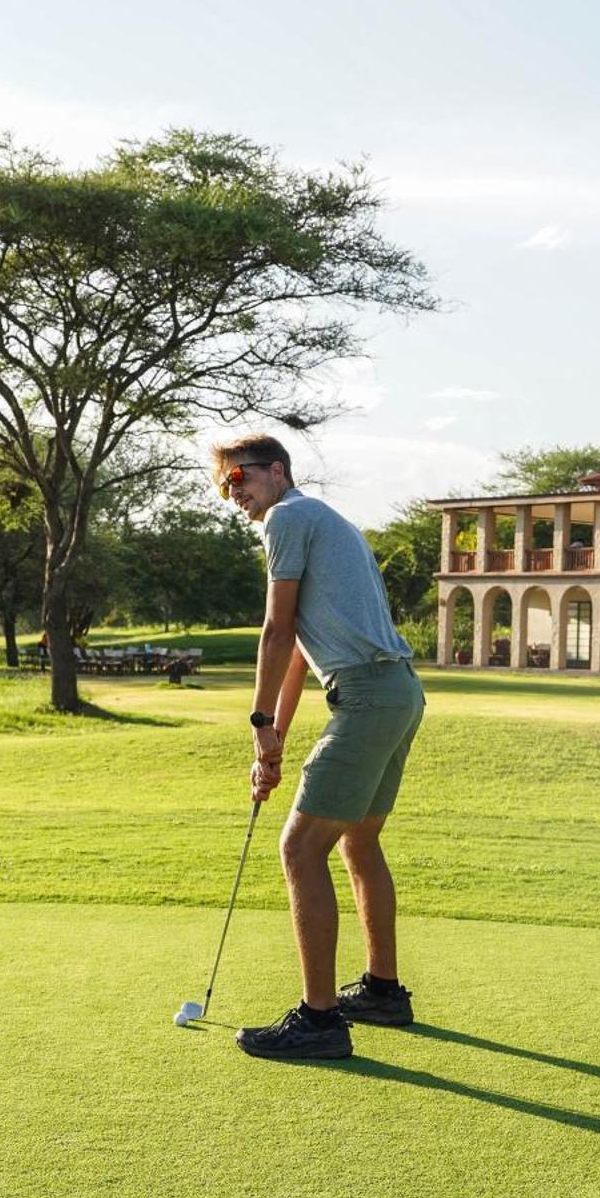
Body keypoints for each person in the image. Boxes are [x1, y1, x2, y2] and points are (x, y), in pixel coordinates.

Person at [212, 434, 425, 1060]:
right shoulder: (325, 524)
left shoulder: (289, 516)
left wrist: (255, 720)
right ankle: (383, 991)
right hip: (397, 692)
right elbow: (304, 653)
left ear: (276, 471)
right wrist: (271, 741)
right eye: (225, 486)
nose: (235, 494)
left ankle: (319, 1020)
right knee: (358, 839)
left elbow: (276, 631)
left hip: (368, 696)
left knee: (301, 848)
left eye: (240, 478)